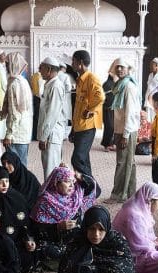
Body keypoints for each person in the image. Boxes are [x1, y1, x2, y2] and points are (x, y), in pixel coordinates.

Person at [30, 166, 97, 271]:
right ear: (56, 183)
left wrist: (80, 177)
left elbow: (91, 187)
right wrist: (57, 227)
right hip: (56, 242)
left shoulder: (75, 196)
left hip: (75, 239)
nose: (71, 185)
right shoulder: (45, 202)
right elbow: (37, 230)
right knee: (49, 250)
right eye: (66, 181)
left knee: (94, 240)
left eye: (72, 181)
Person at [0, 166, 36, 273]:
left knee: (27, 257)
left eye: (7, 181)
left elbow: (25, 224)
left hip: (16, 237)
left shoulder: (16, 197)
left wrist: (28, 239)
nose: (5, 185)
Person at [112, 182, 158, 273]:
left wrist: (157, 243)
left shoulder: (138, 208)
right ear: (150, 201)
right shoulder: (134, 216)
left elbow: (146, 237)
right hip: (130, 256)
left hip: (141, 248)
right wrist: (156, 243)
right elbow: (138, 248)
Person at [108, 58, 140, 203]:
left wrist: (125, 135)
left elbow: (131, 112)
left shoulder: (128, 87)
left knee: (123, 163)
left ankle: (118, 194)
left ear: (128, 69)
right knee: (128, 162)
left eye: (122, 67)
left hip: (127, 130)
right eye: (117, 67)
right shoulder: (120, 85)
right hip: (122, 129)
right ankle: (129, 193)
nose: (119, 69)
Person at [71, 50, 104, 187]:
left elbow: (100, 97)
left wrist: (90, 110)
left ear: (80, 63)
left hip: (88, 126)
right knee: (83, 159)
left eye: (73, 61)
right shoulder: (80, 79)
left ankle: (93, 187)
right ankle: (88, 191)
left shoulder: (91, 78)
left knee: (77, 159)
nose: (72, 64)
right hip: (79, 125)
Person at [37, 56, 68, 180]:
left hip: (51, 134)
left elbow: (52, 114)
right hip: (50, 134)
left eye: (42, 68)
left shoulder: (55, 86)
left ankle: (52, 198)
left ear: (49, 69)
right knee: (49, 169)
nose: (40, 71)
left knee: (51, 171)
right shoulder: (50, 84)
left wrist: (44, 136)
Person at [2, 53, 33, 166]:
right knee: (22, 165)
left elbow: (15, 112)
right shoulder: (23, 81)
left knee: (13, 167)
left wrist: (9, 134)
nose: (5, 67)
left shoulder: (14, 84)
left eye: (7, 64)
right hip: (24, 131)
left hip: (16, 133)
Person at [100, 73, 118, 151]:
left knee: (114, 127)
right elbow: (103, 97)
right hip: (107, 109)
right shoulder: (106, 84)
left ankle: (112, 143)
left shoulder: (116, 84)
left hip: (115, 109)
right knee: (109, 126)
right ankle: (106, 144)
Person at [144, 57, 158, 122]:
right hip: (148, 99)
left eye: (151, 65)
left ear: (156, 65)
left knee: (155, 117)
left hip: (156, 100)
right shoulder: (150, 75)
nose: (150, 67)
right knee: (148, 119)